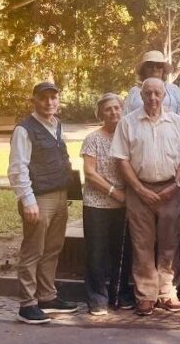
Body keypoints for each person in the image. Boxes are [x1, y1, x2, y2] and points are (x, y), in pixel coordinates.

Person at [111, 78, 180, 317]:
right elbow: (121, 159)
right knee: (142, 244)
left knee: (169, 243)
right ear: (141, 95)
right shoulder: (127, 123)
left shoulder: (176, 121)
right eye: (148, 93)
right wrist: (139, 189)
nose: (153, 98)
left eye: (158, 93)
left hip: (171, 190)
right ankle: (145, 295)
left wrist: (176, 184)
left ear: (165, 95)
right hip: (139, 190)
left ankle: (167, 293)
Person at [8, 81, 78, 324]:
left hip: (59, 195)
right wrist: (28, 201)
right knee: (33, 250)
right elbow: (18, 169)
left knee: (52, 248)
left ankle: (47, 296)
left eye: (53, 97)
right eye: (44, 98)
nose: (49, 102)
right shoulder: (24, 130)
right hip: (38, 198)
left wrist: (67, 192)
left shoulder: (57, 125)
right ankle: (27, 304)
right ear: (34, 100)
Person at [81, 93, 135, 316]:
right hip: (97, 205)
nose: (113, 112)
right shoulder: (93, 138)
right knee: (96, 252)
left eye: (117, 108)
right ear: (100, 114)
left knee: (122, 253)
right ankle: (97, 298)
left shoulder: (128, 137)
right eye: (108, 109)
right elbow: (90, 173)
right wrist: (115, 193)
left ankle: (119, 294)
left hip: (124, 205)